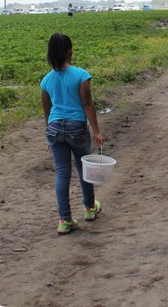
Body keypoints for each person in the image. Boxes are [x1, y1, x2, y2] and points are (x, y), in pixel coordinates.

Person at [40, 33, 104, 234]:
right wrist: (97, 131)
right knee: (83, 168)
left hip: (55, 128)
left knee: (62, 173)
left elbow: (47, 111)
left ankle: (65, 220)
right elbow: (87, 104)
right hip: (77, 127)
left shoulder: (46, 81)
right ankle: (89, 208)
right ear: (70, 50)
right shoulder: (81, 75)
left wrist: (48, 136)